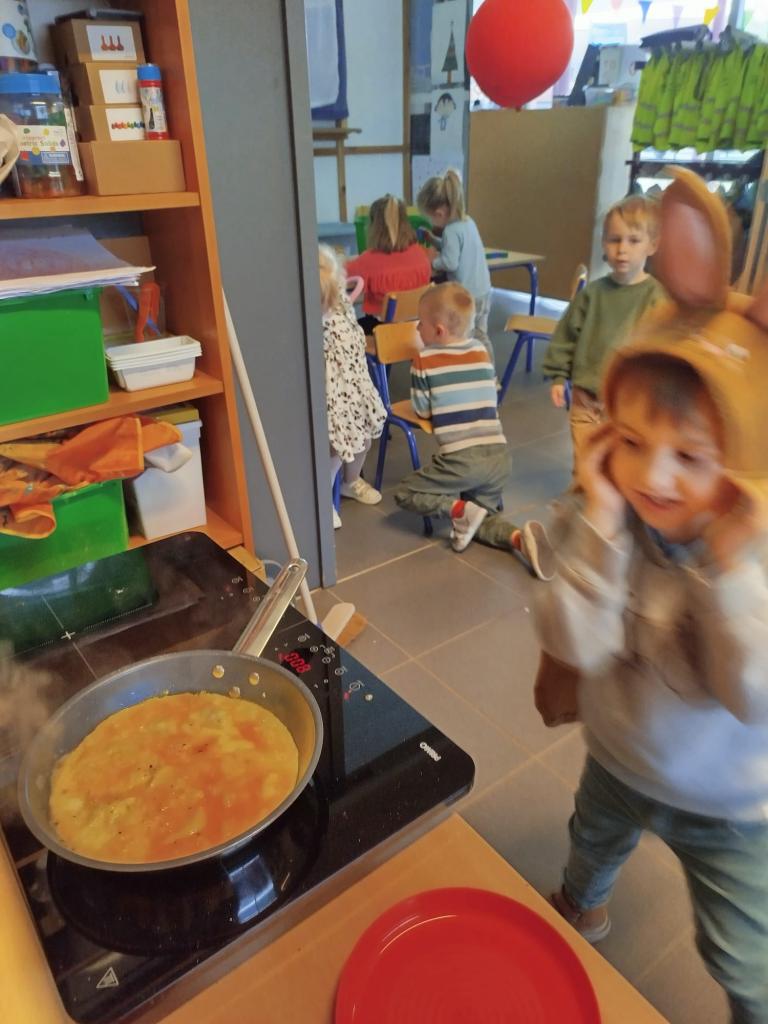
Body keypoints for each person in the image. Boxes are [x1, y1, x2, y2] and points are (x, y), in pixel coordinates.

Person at [534, 168, 768, 1023]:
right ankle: (579, 906)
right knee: (590, 847)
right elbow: (575, 641)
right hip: (619, 756)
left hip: (731, 802)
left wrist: (726, 571)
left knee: (747, 955)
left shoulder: (756, 548)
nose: (653, 477)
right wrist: (598, 524)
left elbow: (753, 694)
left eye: (692, 456)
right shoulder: (610, 515)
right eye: (631, 441)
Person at [393, 282, 552, 580]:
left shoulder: (424, 360)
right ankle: (519, 539)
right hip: (500, 458)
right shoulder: (481, 351)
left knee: (405, 492)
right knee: (483, 518)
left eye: (420, 323)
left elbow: (423, 411)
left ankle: (458, 511)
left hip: (462, 460)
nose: (417, 328)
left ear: (438, 330)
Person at [542, 194, 665, 478]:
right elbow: (566, 335)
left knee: (618, 464)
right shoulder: (592, 294)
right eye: (614, 240)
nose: (622, 250)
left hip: (627, 401)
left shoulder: (657, 299)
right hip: (585, 397)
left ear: (652, 245)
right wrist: (558, 376)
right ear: (603, 244)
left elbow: (664, 348)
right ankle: (585, 495)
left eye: (633, 241)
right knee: (585, 464)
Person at [319, 244, 386, 529]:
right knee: (334, 450)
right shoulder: (313, 319)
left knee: (365, 440)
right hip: (331, 395)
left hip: (356, 386)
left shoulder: (341, 304)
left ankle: (351, 481)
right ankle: (322, 500)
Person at [416, 169, 494, 366]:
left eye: (430, 218)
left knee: (466, 338)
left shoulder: (450, 230)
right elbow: (455, 248)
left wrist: (432, 262)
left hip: (467, 296)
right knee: (481, 335)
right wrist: (433, 239)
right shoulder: (467, 221)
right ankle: (488, 372)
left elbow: (450, 262)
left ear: (439, 213)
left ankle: (472, 370)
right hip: (484, 290)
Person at [345, 194, 432, 334]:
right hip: (416, 330)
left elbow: (340, 275)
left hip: (381, 332)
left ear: (373, 227)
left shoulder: (368, 260)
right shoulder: (420, 254)